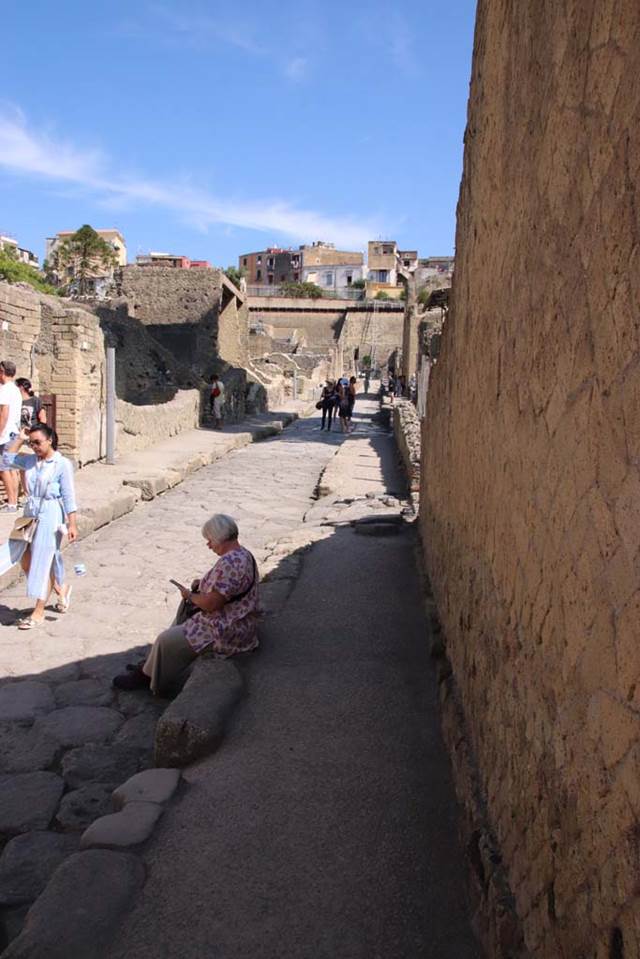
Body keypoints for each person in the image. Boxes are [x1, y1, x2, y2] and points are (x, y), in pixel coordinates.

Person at [113, 514, 259, 696]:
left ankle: (146, 677)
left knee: (165, 640)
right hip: (237, 619)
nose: (209, 545)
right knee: (175, 626)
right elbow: (226, 589)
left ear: (220, 539)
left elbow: (212, 604)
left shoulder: (229, 563)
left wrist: (190, 595)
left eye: (210, 540)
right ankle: (149, 666)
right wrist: (203, 584)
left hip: (225, 627)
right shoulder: (243, 554)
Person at [0, 425, 77, 628]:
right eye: (31, 442)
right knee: (23, 557)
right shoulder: (30, 461)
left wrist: (72, 523)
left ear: (49, 440)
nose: (34, 446)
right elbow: (5, 460)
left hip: (51, 514)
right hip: (30, 514)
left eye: (37, 442)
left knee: (43, 561)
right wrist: (19, 439)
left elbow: (69, 496)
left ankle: (38, 611)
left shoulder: (62, 464)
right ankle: (60, 589)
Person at [0, 361, 23, 513]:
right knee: (12, 468)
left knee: (3, 469)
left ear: (2, 372)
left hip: (6, 433)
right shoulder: (15, 389)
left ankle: (12, 503)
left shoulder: (5, 390)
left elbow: (4, 413)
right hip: (14, 431)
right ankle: (13, 501)